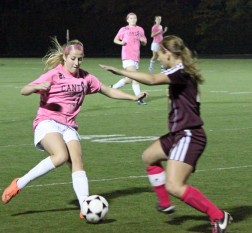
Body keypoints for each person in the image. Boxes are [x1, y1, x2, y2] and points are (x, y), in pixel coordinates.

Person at [100, 35, 233, 232]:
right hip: (179, 134)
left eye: (159, 54)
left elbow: (153, 79)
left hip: (189, 135)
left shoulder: (180, 71)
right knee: (149, 157)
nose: (157, 58)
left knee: (175, 185)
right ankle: (165, 204)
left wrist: (122, 71)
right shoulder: (180, 71)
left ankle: (218, 216)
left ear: (168, 54)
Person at [1, 38, 146, 219]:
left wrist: (133, 97)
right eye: (73, 59)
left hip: (68, 125)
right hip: (47, 121)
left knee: (77, 161)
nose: (77, 63)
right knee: (61, 156)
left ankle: (84, 205)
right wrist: (37, 86)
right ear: (65, 57)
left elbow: (108, 91)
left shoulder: (86, 78)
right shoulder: (54, 74)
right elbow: (24, 90)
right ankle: (19, 183)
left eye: (80, 59)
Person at [109, 12, 147, 105]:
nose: (133, 19)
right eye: (131, 18)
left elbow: (145, 42)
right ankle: (139, 98)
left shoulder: (140, 29)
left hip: (136, 57)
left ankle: (113, 87)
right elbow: (115, 40)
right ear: (127, 20)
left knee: (129, 79)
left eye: (135, 18)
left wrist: (143, 41)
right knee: (135, 77)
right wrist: (121, 43)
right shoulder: (124, 29)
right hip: (127, 56)